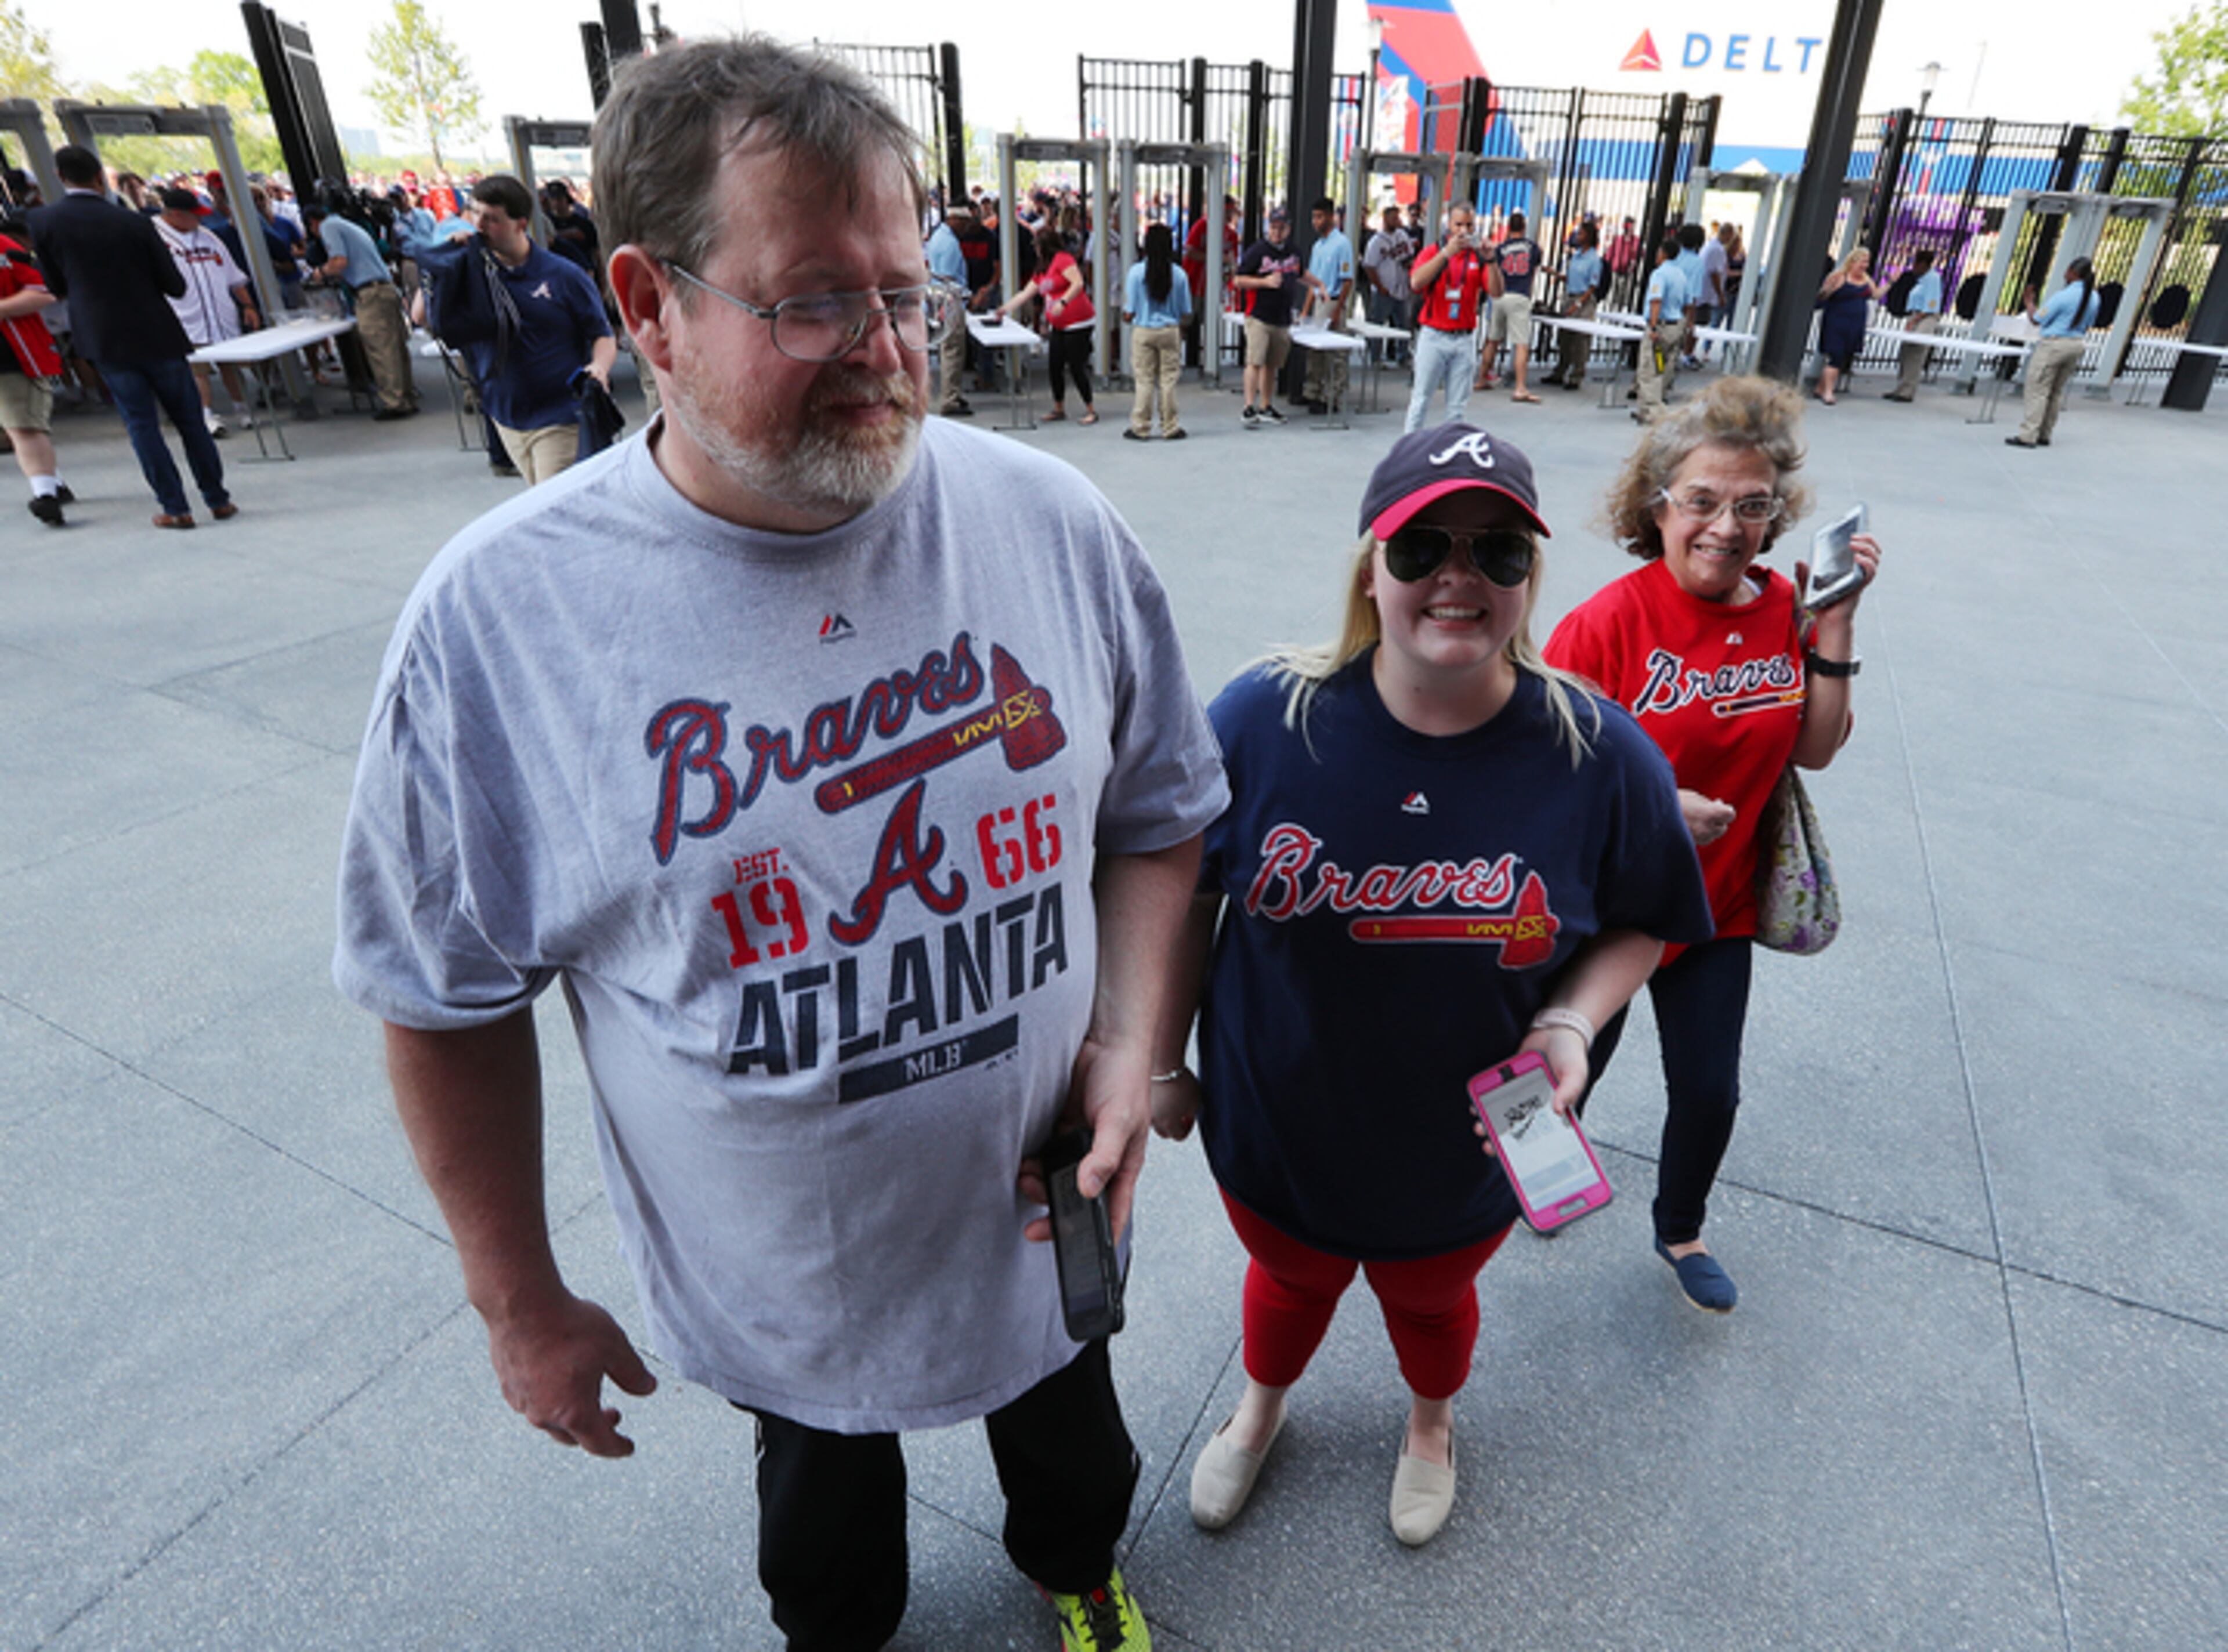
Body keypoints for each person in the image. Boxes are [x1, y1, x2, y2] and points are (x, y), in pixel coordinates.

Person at [335, 37, 1225, 1652]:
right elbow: (442, 992)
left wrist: (1125, 1042)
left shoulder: (1049, 522)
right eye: (813, 300)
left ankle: (1081, 1581)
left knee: (1077, 1466)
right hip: (782, 1289)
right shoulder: (501, 620)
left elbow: (1160, 818)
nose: (885, 350)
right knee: (829, 1564)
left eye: (911, 296)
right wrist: (517, 1298)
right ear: (649, 301)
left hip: (1044, 1218)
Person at [1155, 422, 1711, 1548]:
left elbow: (1652, 918)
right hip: (1280, 1118)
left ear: (1527, 577)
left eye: (1497, 551)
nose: (1459, 576)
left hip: (1468, 1137)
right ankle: (1260, 1405)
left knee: (1428, 1298)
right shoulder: (1265, 717)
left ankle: (1430, 1422)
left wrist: (1569, 1017)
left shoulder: (1597, 751)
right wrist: (1161, 1058)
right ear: (1372, 565)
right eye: (1424, 547)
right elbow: (1183, 896)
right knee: (1292, 1277)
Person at [1543, 376, 1883, 1313]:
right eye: (1701, 500)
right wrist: (1649, 804)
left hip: (1716, 907)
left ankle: (1680, 1225)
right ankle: (1534, 1182)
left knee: (1710, 1090)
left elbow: (1813, 747)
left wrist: (1836, 625)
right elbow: (1539, 779)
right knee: (1563, 1066)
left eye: (1751, 505)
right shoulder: (1606, 624)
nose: (1725, 526)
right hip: (1609, 911)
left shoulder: (1787, 610)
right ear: (1658, 507)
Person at [31, 144, 233, 530]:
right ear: (98, 179)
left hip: (104, 336)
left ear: (60, 177)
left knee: (142, 425)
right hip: (157, 331)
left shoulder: (44, 223)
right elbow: (174, 285)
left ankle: (175, 508)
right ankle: (217, 498)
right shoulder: (138, 222)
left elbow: (55, 285)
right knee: (190, 420)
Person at [422, 175, 615, 483]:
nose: (480, 225)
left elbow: (602, 333)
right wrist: (444, 260)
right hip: (507, 417)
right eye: (474, 214)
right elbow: (422, 316)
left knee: (554, 510)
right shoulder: (474, 272)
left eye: (492, 219)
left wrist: (599, 368)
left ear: (520, 224)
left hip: (559, 417)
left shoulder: (563, 275)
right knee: (542, 500)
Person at [153, 186, 260, 437]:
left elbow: (233, 276)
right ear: (177, 215)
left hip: (221, 314)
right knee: (197, 369)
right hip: (185, 317)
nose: (200, 219)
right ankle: (207, 415)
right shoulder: (154, 237)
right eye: (194, 214)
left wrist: (248, 305)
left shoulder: (208, 237)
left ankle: (241, 409)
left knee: (230, 365)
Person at [302, 191, 419, 421]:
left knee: (381, 350)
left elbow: (339, 261)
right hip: (384, 288)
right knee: (395, 347)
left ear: (313, 223)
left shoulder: (330, 228)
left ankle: (394, 402)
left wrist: (320, 273)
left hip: (370, 293)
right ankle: (406, 396)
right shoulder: (348, 225)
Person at [0, 215, 74, 525]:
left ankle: (45, 494)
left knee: (23, 426)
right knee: (21, 426)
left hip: (10, 351)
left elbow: (40, 292)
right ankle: (52, 482)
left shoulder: (6, 250)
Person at [1402, 202, 1489, 432]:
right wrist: (1445, 255)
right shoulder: (1433, 251)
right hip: (1434, 334)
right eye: (1458, 224)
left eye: (1469, 225)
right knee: (1421, 400)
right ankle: (1408, 453)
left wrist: (1491, 261)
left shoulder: (1478, 256)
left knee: (1457, 408)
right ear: (1449, 224)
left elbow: (1497, 292)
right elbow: (1416, 282)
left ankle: (1452, 457)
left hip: (1464, 338)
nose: (1463, 231)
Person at [999, 223, 1098, 423]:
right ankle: (1058, 407)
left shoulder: (1063, 260)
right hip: (1059, 325)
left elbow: (1078, 283)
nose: (1035, 250)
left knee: (1076, 365)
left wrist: (1063, 302)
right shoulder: (1042, 268)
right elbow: (1026, 293)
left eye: (1037, 246)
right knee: (1055, 365)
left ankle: (1090, 409)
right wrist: (1004, 309)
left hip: (1078, 321)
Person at [2007, 258, 2099, 449]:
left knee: (2037, 389)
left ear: (2074, 272)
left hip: (2054, 345)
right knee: (2055, 392)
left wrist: (2029, 302)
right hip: (2076, 344)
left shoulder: (2064, 295)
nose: (2064, 274)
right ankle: (2045, 434)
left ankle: (2028, 435)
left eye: (2067, 270)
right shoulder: (2095, 297)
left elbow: (2038, 319)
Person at [1233, 207, 1303, 428]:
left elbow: (1301, 273)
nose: (1277, 233)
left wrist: (1319, 285)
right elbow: (1238, 280)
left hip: (1282, 316)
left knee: (1272, 364)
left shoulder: (1293, 252)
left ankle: (1265, 405)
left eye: (1281, 228)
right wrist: (1264, 282)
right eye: (1273, 228)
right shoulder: (1258, 251)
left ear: (1288, 229)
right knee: (1255, 360)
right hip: (1259, 315)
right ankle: (1248, 406)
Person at [1121, 219, 1191, 440]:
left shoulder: (1135, 273)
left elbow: (1129, 312)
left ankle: (1141, 427)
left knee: (1144, 380)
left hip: (1143, 331)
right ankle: (1170, 427)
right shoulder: (1179, 275)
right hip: (1170, 330)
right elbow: (1185, 311)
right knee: (1168, 380)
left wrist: (1129, 317)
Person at [1473, 208, 1544, 401]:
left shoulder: (1500, 248)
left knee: (1492, 339)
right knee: (1521, 344)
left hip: (1499, 295)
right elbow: (1534, 272)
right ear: (1524, 227)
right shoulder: (1533, 248)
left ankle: (1481, 378)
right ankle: (1520, 387)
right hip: (1520, 295)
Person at [1299, 195, 1354, 414]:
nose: (1316, 221)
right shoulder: (1318, 247)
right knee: (1316, 350)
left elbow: (1347, 279)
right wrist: (1305, 310)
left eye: (1320, 217)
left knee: (1335, 352)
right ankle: (1313, 391)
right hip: (1319, 302)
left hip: (1333, 300)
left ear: (1331, 217)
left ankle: (1332, 395)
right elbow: (1313, 282)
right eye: (1314, 217)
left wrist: (1338, 309)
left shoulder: (1342, 244)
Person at [924, 198, 974, 416]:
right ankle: (951, 399)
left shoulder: (937, 238)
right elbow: (947, 279)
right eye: (964, 222)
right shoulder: (950, 244)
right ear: (954, 219)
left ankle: (951, 393)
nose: (966, 227)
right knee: (953, 350)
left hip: (938, 299)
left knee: (946, 349)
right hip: (949, 301)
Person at [1813, 247, 1879, 405]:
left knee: (1841, 357)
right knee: (1836, 356)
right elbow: (1823, 297)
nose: (1865, 265)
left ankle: (1820, 388)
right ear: (1853, 262)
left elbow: (1876, 295)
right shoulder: (1840, 277)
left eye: (1867, 262)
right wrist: (1827, 290)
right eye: (1862, 261)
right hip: (1837, 321)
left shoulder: (1866, 279)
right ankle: (1828, 392)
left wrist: (1891, 283)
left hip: (1854, 323)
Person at [1634, 232, 1688, 424]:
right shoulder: (1681, 275)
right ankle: (1646, 408)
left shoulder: (1660, 274)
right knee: (1663, 366)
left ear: (1663, 253)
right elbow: (1688, 302)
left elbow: (1656, 300)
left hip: (1662, 327)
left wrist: (1654, 327)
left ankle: (1652, 411)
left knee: (1650, 370)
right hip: (1676, 326)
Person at [1545, 219, 1603, 390]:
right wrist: (1556, 275)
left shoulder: (1594, 259)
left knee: (1580, 340)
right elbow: (1572, 278)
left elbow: (1592, 286)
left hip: (1583, 301)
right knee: (1565, 338)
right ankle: (1560, 371)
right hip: (1570, 296)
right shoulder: (1576, 255)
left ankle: (1576, 376)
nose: (1578, 236)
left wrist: (1578, 304)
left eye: (1581, 233)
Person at [1886, 247, 1943, 403]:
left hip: (1924, 317)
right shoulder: (1921, 280)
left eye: (1916, 264)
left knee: (1916, 353)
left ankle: (1908, 390)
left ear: (1923, 264)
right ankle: (1901, 386)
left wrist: (1914, 321)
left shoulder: (1933, 279)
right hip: (1916, 316)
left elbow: (1931, 305)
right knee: (1906, 352)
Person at [1361, 204, 1414, 364]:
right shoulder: (1376, 241)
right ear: (1386, 219)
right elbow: (1369, 266)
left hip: (1402, 289)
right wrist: (1379, 286)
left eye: (1398, 217)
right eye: (1394, 218)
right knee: (1378, 325)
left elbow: (1409, 256)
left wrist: (1409, 268)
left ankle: (1402, 356)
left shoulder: (1402, 236)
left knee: (1403, 325)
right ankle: (1375, 358)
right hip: (1384, 290)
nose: (1397, 221)